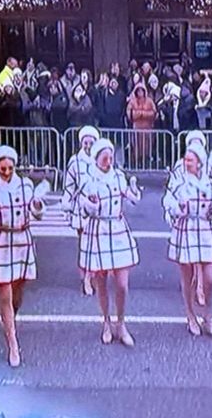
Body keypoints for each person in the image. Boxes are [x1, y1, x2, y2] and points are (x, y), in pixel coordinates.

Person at [0, 145, 47, 367]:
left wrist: (36, 205)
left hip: (22, 241)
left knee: (17, 292)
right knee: (4, 293)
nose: (6, 172)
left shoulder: (25, 185)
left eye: (10, 168)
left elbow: (37, 213)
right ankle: (13, 344)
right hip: (1, 241)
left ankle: (10, 320)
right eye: (2, 168)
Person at [78, 138, 142, 347]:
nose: (108, 160)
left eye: (111, 156)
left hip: (118, 228)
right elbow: (83, 207)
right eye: (104, 157)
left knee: (122, 284)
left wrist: (134, 191)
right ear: (97, 159)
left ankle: (121, 323)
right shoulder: (89, 180)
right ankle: (106, 322)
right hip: (98, 230)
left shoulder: (118, 176)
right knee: (102, 280)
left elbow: (131, 197)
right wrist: (91, 205)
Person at [163, 143, 212, 338]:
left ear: (199, 162)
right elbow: (167, 201)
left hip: (205, 230)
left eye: (190, 159)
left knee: (210, 279)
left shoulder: (210, 182)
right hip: (186, 229)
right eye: (185, 158)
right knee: (188, 277)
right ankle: (190, 316)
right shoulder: (178, 181)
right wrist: (177, 208)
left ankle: (208, 316)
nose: (186, 162)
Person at [63, 125, 100, 297]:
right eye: (85, 142)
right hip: (80, 207)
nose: (88, 145)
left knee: (94, 243)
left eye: (91, 142)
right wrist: (68, 204)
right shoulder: (75, 161)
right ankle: (85, 274)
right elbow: (69, 185)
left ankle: (90, 277)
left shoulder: (100, 159)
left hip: (96, 207)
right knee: (84, 243)